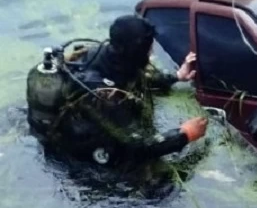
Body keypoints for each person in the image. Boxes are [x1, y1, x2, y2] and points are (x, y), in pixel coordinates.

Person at [25, 14, 209, 172]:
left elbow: (138, 75)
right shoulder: (104, 96)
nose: (152, 51)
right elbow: (138, 145)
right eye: (148, 48)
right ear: (136, 51)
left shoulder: (110, 54)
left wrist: (176, 76)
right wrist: (184, 135)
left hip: (91, 121)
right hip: (83, 157)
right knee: (159, 188)